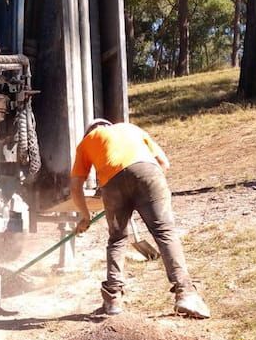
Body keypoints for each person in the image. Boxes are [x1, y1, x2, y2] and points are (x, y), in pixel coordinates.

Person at [70, 118, 209, 319]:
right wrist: (144, 188)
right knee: (164, 232)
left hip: (111, 182)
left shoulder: (87, 141)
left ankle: (113, 300)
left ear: (90, 131)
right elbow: (164, 163)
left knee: (117, 239)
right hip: (148, 172)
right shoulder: (130, 128)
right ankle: (185, 294)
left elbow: (75, 187)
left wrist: (85, 216)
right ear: (109, 125)